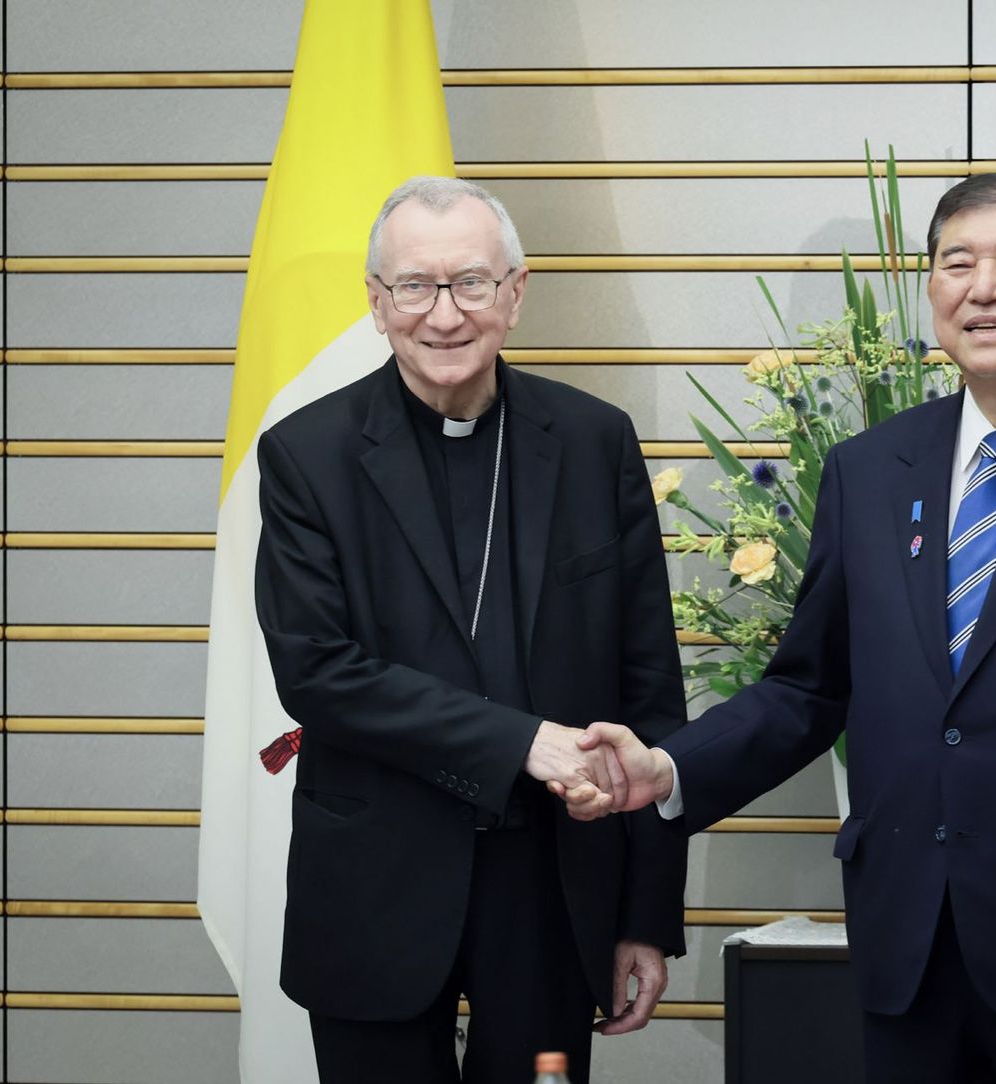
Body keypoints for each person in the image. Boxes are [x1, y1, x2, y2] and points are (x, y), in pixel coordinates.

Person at [567, 174, 996, 1082]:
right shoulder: (869, 470)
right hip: (909, 942)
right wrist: (669, 769)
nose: (984, 288)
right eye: (956, 263)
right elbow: (808, 686)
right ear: (930, 290)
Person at [253, 176, 686, 1084]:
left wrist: (647, 913)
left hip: (550, 888)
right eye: (415, 286)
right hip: (377, 880)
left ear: (516, 293)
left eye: (471, 284)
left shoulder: (593, 440)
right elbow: (319, 672)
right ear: (377, 304)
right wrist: (521, 741)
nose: (443, 315)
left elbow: (647, 690)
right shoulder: (307, 454)